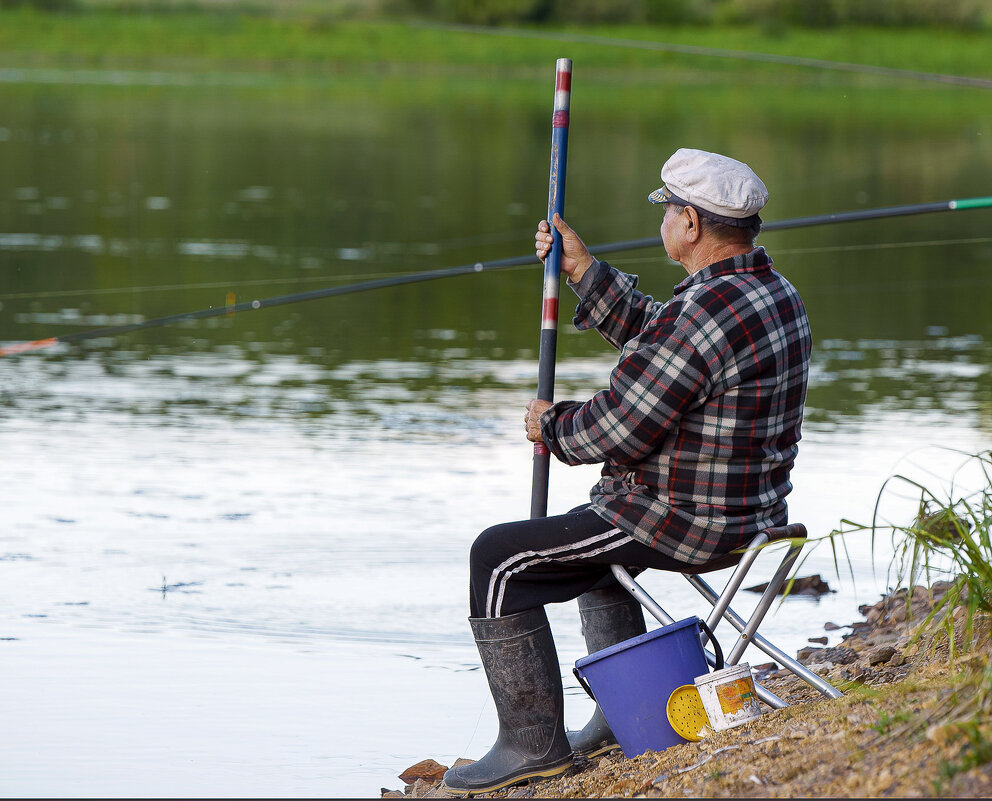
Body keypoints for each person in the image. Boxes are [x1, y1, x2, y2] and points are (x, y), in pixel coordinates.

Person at [441, 148, 812, 796]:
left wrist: (551, 425)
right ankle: (618, 716)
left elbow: (619, 427)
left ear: (691, 224)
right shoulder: (770, 293)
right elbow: (662, 340)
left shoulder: (702, 314)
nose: (663, 217)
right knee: (589, 541)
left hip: (687, 522)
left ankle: (530, 743)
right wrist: (583, 270)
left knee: (497, 558)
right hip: (751, 516)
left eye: (668, 208)